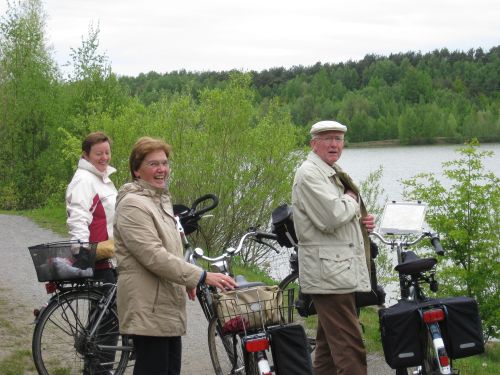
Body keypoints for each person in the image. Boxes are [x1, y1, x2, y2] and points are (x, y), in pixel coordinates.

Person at [113, 136, 237, 375]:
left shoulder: (159, 200)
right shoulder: (132, 205)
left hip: (164, 301)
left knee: (169, 370)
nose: (162, 169)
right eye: (153, 164)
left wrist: (185, 279)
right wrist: (200, 276)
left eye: (164, 163)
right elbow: (154, 255)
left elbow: (171, 249)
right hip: (147, 305)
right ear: (137, 170)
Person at [291, 120, 376, 375]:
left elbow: (340, 216)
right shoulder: (309, 174)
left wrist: (362, 222)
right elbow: (330, 217)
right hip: (329, 274)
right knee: (350, 348)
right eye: (327, 138)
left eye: (338, 139)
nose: (334, 144)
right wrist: (351, 201)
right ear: (313, 144)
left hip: (335, 271)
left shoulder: (329, 170)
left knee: (328, 349)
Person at [66, 131, 117, 283]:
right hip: (98, 260)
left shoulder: (100, 178)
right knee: (108, 305)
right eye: (99, 153)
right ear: (86, 155)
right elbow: (78, 215)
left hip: (109, 256)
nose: (105, 157)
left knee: (109, 306)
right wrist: (81, 251)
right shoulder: (84, 180)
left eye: (107, 152)